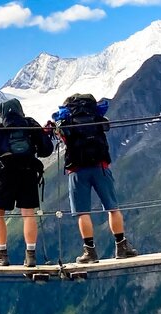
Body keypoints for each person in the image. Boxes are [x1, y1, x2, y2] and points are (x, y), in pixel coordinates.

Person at [53, 93, 138, 263]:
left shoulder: (66, 120)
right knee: (112, 207)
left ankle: (89, 252)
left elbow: (62, 138)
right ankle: (121, 247)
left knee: (82, 212)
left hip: (77, 170)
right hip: (100, 166)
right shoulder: (96, 117)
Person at [0, 99, 53, 267]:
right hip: (28, 171)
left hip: (6, 173)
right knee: (28, 214)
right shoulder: (30, 124)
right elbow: (46, 150)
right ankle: (31, 256)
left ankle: (2, 255)